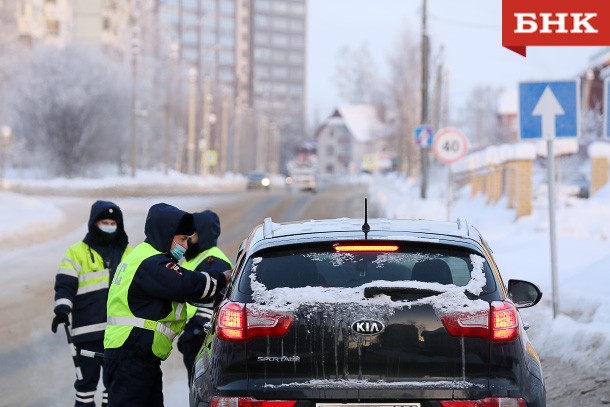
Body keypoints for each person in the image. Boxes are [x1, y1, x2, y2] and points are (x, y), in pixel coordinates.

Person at [103, 202, 231, 407]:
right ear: (165, 234)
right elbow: (185, 285)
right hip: (131, 356)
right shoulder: (151, 262)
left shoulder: (145, 258)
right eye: (182, 239)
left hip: (138, 355)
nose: (186, 246)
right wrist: (222, 279)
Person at [52, 200, 131, 407]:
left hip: (117, 333)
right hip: (86, 333)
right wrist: (62, 309)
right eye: (103, 222)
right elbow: (65, 284)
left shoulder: (127, 253)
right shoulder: (76, 252)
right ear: (93, 223)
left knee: (113, 386)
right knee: (86, 386)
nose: (108, 226)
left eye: (112, 223)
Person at [177, 209, 233, 385]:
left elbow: (211, 303)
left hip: (200, 338)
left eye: (191, 233)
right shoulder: (194, 258)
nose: (187, 237)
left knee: (203, 391)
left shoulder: (213, 261)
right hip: (193, 337)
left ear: (203, 233)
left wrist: (193, 334)